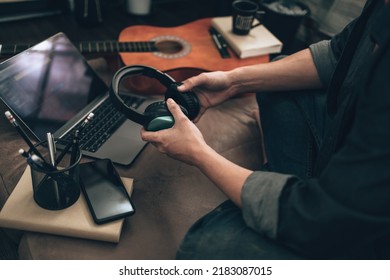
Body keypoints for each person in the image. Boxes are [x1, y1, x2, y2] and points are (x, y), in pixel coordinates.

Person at [140, 0, 390, 259]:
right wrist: (234, 81)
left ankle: (284, 200)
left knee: (204, 251)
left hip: (350, 229)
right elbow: (339, 54)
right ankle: (283, 195)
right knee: (278, 82)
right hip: (352, 160)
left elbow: (324, 219)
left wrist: (198, 152)